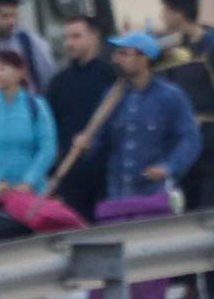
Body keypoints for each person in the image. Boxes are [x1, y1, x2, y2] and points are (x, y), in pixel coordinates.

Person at [77, 32, 202, 202]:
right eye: (116, 53)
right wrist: (87, 145)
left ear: (145, 57)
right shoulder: (111, 96)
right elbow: (100, 140)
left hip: (157, 194)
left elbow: (190, 139)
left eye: (123, 53)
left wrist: (168, 167)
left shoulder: (170, 96)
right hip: (119, 194)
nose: (116, 60)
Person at [156, 0, 214, 299]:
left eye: (165, 11)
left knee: (208, 220)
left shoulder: (209, 46)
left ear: (179, 12)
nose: (163, 18)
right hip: (185, 149)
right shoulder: (174, 49)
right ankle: (195, 286)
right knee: (191, 220)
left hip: (211, 145)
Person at [46, 14, 115, 221]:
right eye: (66, 38)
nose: (69, 43)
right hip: (72, 173)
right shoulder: (58, 82)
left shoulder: (112, 77)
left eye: (76, 36)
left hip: (107, 171)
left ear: (94, 37)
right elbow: (52, 130)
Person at [0, 50, 57, 199]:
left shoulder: (37, 106)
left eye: (2, 68)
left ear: (21, 71)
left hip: (32, 194)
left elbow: (47, 148)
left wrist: (29, 181)